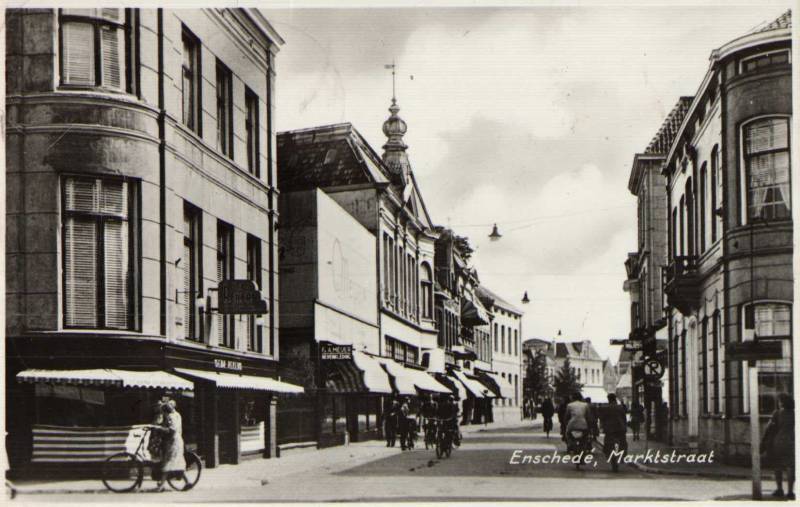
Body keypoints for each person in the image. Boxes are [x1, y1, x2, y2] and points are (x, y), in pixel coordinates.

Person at [762, 393, 795, 499]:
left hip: (778, 442)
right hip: (792, 442)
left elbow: (769, 427)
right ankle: (790, 491)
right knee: (791, 467)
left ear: (782, 402)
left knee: (778, 466)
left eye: (779, 401)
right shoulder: (794, 413)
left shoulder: (777, 413)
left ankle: (780, 489)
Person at [152, 399, 186, 492]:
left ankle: (161, 486)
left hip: (173, 442)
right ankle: (187, 482)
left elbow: (172, 430)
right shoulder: (176, 415)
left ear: (165, 411)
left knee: (168, 463)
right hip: (176, 441)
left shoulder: (171, 417)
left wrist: (158, 428)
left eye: (163, 412)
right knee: (176, 462)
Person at [600, 393, 628, 470]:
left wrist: (602, 427)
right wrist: (625, 427)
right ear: (615, 399)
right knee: (623, 443)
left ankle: (612, 459)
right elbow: (624, 418)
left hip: (609, 430)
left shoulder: (605, 407)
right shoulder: (621, 407)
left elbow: (602, 419)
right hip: (620, 429)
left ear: (608, 399)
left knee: (607, 445)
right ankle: (622, 456)